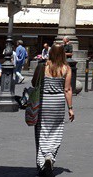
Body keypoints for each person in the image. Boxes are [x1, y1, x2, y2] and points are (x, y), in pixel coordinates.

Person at [34, 43, 73, 176]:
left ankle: (42, 161)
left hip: (43, 101)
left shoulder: (42, 66)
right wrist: (70, 108)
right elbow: (67, 89)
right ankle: (49, 155)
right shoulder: (66, 68)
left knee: (42, 130)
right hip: (58, 102)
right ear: (63, 53)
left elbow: (34, 83)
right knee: (56, 130)